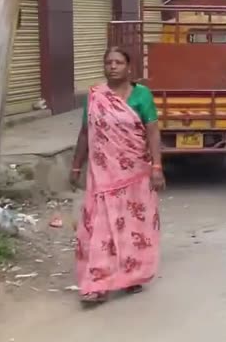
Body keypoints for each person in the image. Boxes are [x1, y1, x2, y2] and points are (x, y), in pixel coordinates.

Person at [69, 46, 166, 307]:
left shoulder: (141, 95)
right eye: (108, 62)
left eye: (118, 62)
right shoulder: (95, 96)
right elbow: (84, 132)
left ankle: (132, 274)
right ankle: (97, 283)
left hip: (136, 173)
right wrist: (76, 166)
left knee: (133, 225)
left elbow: (152, 132)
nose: (112, 66)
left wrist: (157, 167)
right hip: (102, 175)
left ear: (128, 67)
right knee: (101, 224)